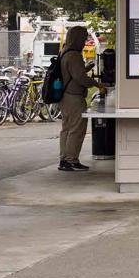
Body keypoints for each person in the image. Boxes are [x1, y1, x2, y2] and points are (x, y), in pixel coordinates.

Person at [57, 26, 104, 172]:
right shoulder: (74, 55)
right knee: (77, 129)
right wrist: (97, 84)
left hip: (64, 96)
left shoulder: (64, 52)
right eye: (83, 38)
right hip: (74, 97)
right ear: (78, 38)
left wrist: (85, 68)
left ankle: (64, 159)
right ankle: (72, 160)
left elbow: (73, 73)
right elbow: (80, 78)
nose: (84, 42)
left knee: (66, 129)